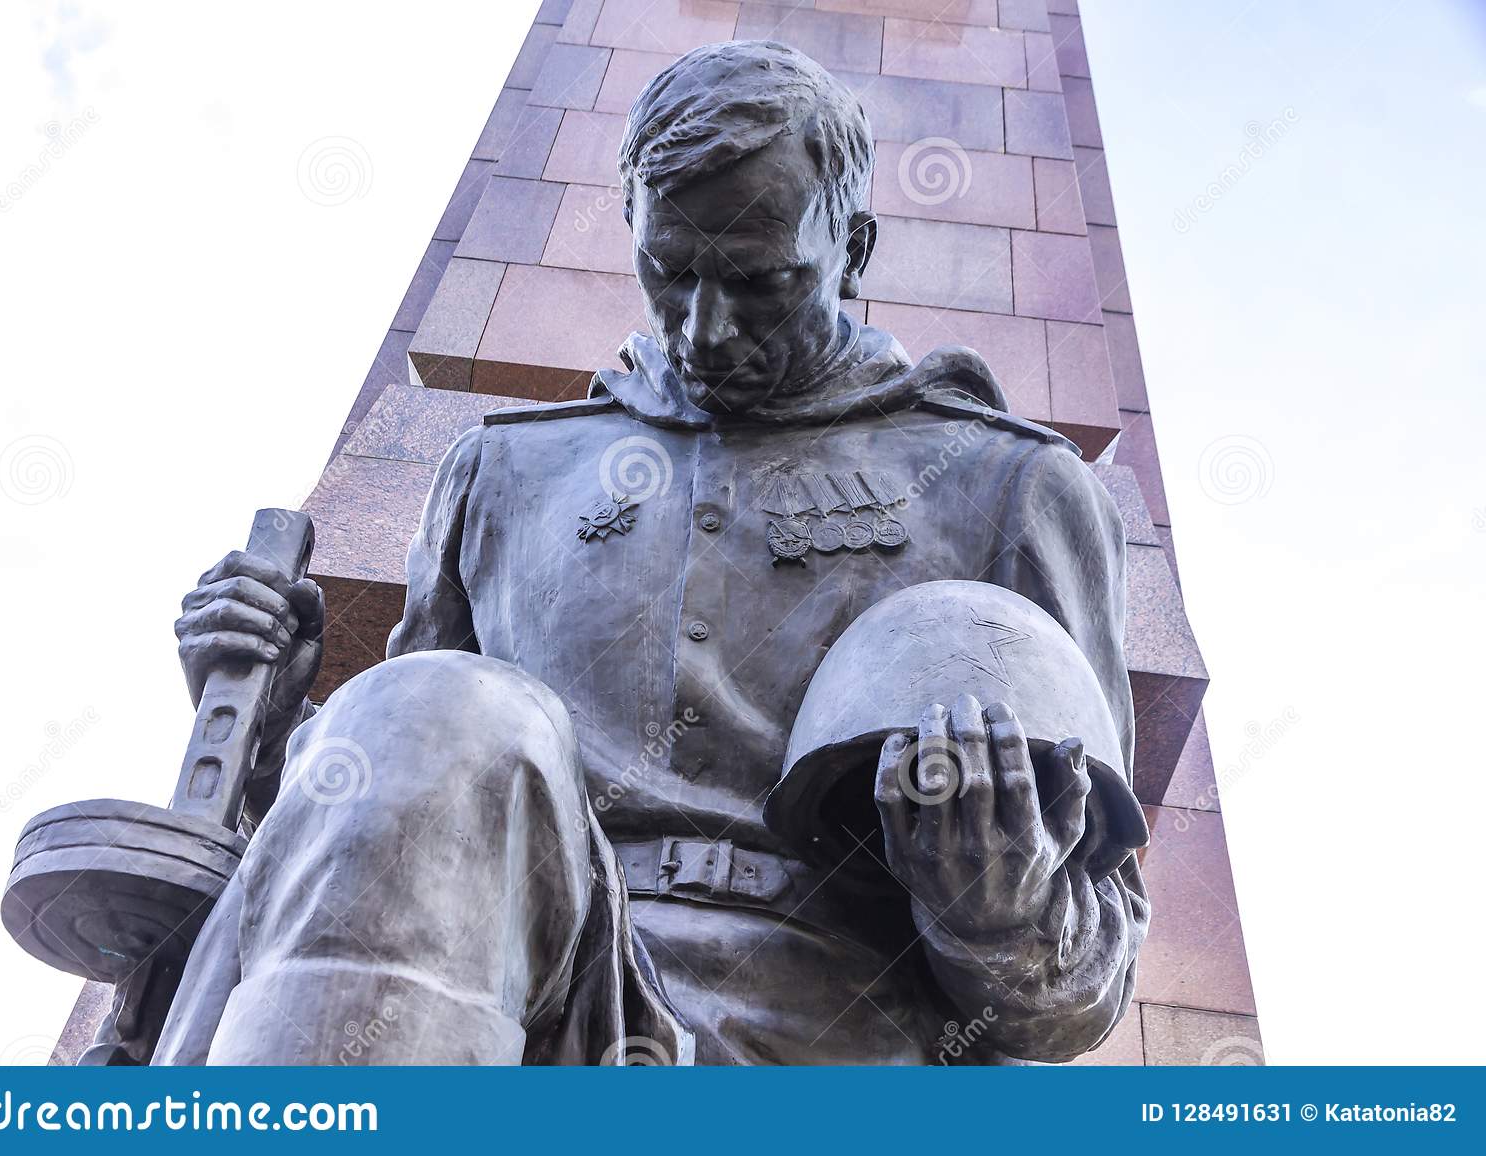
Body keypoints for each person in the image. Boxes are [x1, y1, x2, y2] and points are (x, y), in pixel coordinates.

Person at [157, 41, 1147, 1066]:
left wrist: (1000, 906)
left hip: (823, 1033)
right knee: (429, 706)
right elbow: (375, 848)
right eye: (670, 271)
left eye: (761, 282)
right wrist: (268, 730)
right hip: (499, 1008)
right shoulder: (501, 475)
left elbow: (1078, 995)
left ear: (852, 249)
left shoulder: (1006, 485)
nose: (705, 332)